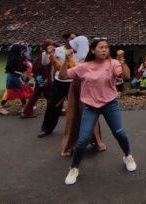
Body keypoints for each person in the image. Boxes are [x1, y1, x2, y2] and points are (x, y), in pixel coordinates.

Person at [59, 38, 135, 185]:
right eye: (101, 47)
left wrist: (121, 60)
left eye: (106, 47)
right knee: (83, 139)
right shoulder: (84, 67)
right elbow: (62, 76)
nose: (104, 50)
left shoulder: (113, 64)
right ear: (93, 50)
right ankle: (74, 168)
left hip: (110, 104)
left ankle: (128, 156)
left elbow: (126, 77)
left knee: (119, 132)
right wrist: (66, 60)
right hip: (91, 106)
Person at [60, 35, 105, 157]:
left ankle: (96, 141)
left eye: (75, 45)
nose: (72, 48)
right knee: (75, 114)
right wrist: (66, 60)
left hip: (84, 88)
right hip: (77, 89)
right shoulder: (73, 57)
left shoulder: (89, 59)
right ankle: (70, 144)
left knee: (88, 113)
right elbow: (62, 75)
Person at [38, 32, 77, 138]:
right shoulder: (58, 50)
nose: (73, 41)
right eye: (71, 38)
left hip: (75, 82)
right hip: (60, 82)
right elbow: (46, 62)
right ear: (65, 39)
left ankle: (80, 132)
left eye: (75, 39)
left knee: (78, 107)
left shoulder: (81, 51)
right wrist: (47, 53)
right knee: (52, 105)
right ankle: (46, 129)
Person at [0, 43, 33, 114]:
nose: (22, 51)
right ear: (17, 50)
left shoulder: (12, 57)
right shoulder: (16, 58)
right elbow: (11, 69)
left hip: (10, 77)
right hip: (15, 77)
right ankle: (25, 107)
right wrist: (21, 73)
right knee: (22, 90)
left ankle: (0, 107)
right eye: (21, 49)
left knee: (12, 92)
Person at [20, 39, 55, 118]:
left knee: (39, 95)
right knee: (46, 95)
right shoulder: (46, 55)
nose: (52, 47)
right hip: (44, 79)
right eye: (51, 45)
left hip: (41, 78)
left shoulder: (43, 54)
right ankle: (54, 111)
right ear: (46, 46)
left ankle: (27, 112)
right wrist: (46, 79)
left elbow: (37, 67)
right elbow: (44, 68)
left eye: (53, 45)